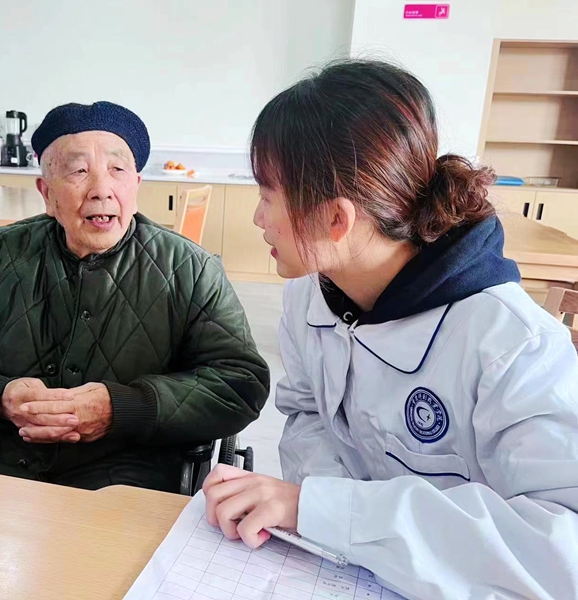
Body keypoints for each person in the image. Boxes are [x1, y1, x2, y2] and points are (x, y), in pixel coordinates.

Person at [203, 60, 578, 600]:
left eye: (267, 196)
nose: (259, 219)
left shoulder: (513, 344)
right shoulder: (308, 296)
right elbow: (307, 413)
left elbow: (561, 548)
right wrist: (320, 513)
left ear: (335, 219)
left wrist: (325, 510)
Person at [0, 101, 270, 492]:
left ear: (136, 186)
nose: (101, 190)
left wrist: (122, 408)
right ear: (46, 193)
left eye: (117, 170)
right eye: (78, 171)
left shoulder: (189, 268)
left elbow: (239, 383)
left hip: (129, 472)